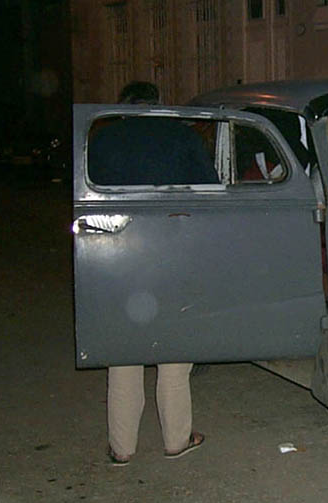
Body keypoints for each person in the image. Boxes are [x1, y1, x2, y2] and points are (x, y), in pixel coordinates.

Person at [90, 81, 206, 465]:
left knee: (124, 355)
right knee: (174, 354)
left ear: (123, 107)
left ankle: (121, 447)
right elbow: (212, 193)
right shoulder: (180, 135)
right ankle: (176, 440)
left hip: (118, 256)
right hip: (173, 254)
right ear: (158, 104)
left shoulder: (103, 140)